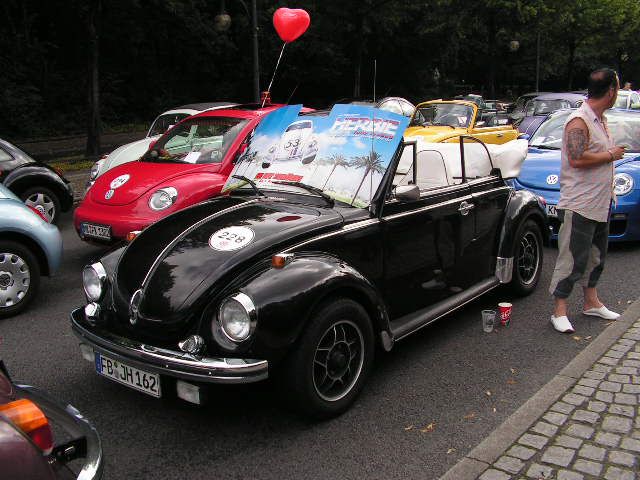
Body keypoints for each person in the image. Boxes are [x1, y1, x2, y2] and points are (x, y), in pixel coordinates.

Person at [549, 68, 626, 333]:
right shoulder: (579, 120)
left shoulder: (599, 119)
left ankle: (591, 303)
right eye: (618, 87)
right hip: (579, 204)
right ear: (611, 91)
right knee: (571, 259)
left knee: (595, 257)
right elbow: (576, 158)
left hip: (601, 202)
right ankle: (559, 311)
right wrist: (611, 154)